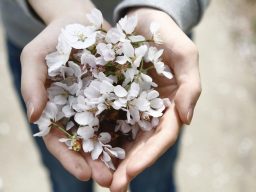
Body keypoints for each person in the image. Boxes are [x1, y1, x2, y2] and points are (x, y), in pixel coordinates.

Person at [0, 0, 209, 191]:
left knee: (154, 179)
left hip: (160, 28)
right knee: (67, 178)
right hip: (41, 41)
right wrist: (65, 8)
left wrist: (161, 8)